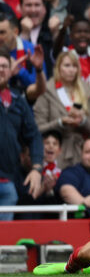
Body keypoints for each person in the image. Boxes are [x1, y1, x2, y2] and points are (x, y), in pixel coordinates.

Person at [33, 50, 90, 169]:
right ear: (58, 68)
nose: (71, 70)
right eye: (67, 65)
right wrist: (59, 123)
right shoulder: (47, 90)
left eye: (74, 66)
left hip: (81, 151)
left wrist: (83, 121)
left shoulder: (85, 89)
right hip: (55, 152)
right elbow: (38, 128)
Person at [0, 47, 43, 220]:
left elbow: (34, 135)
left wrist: (37, 168)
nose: (0, 70)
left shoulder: (18, 100)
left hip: (10, 181)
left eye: (4, 66)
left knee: (4, 242)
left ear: (11, 71)